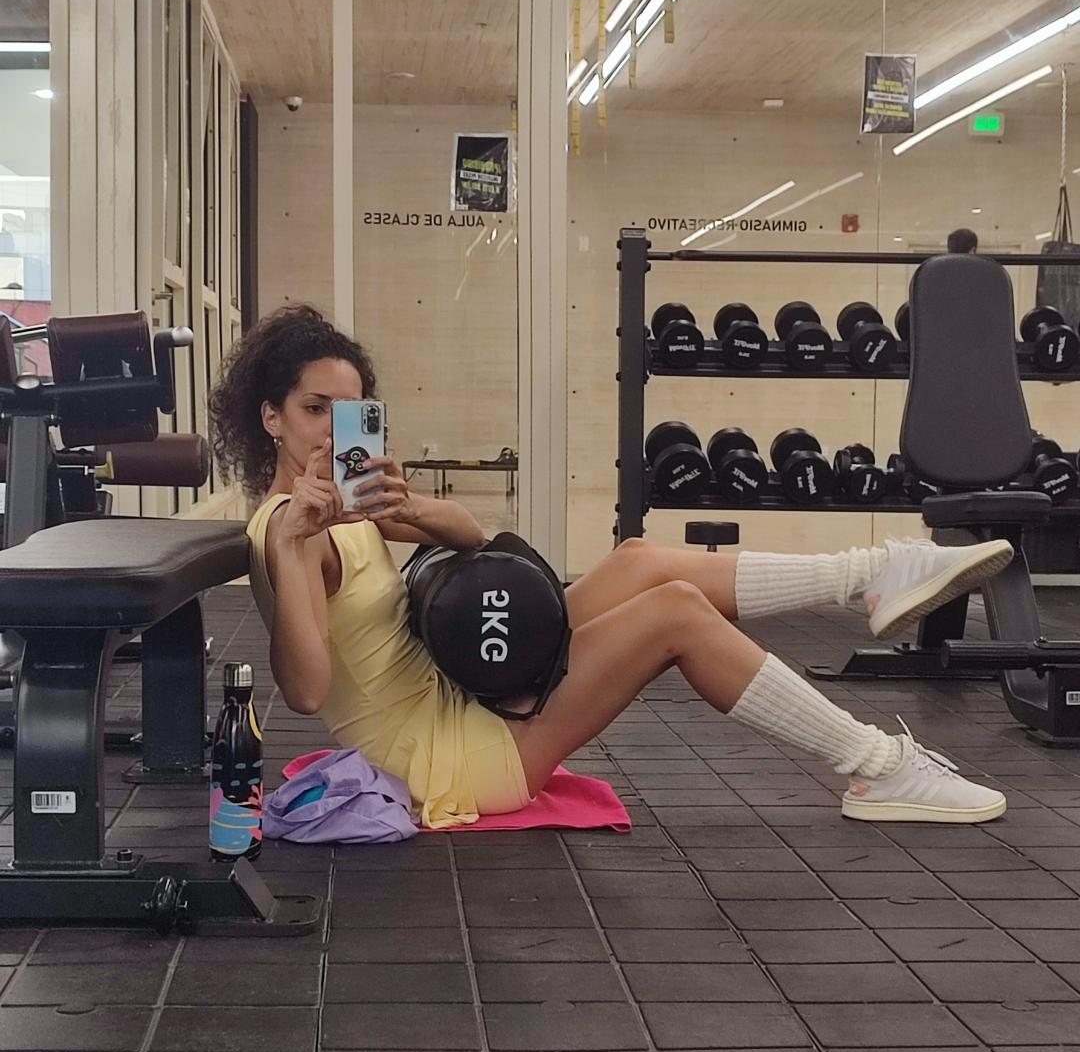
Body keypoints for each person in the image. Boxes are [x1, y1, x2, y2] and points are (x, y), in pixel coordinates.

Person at [209, 304, 1012, 830]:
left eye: (349, 413)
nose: (331, 431)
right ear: (271, 416)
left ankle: (868, 575)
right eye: (313, 409)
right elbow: (306, 692)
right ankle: (877, 766)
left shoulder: (348, 509)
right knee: (673, 612)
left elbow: (474, 536)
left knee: (635, 560)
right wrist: (294, 544)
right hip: (446, 758)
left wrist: (404, 504)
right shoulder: (292, 529)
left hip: (464, 689)